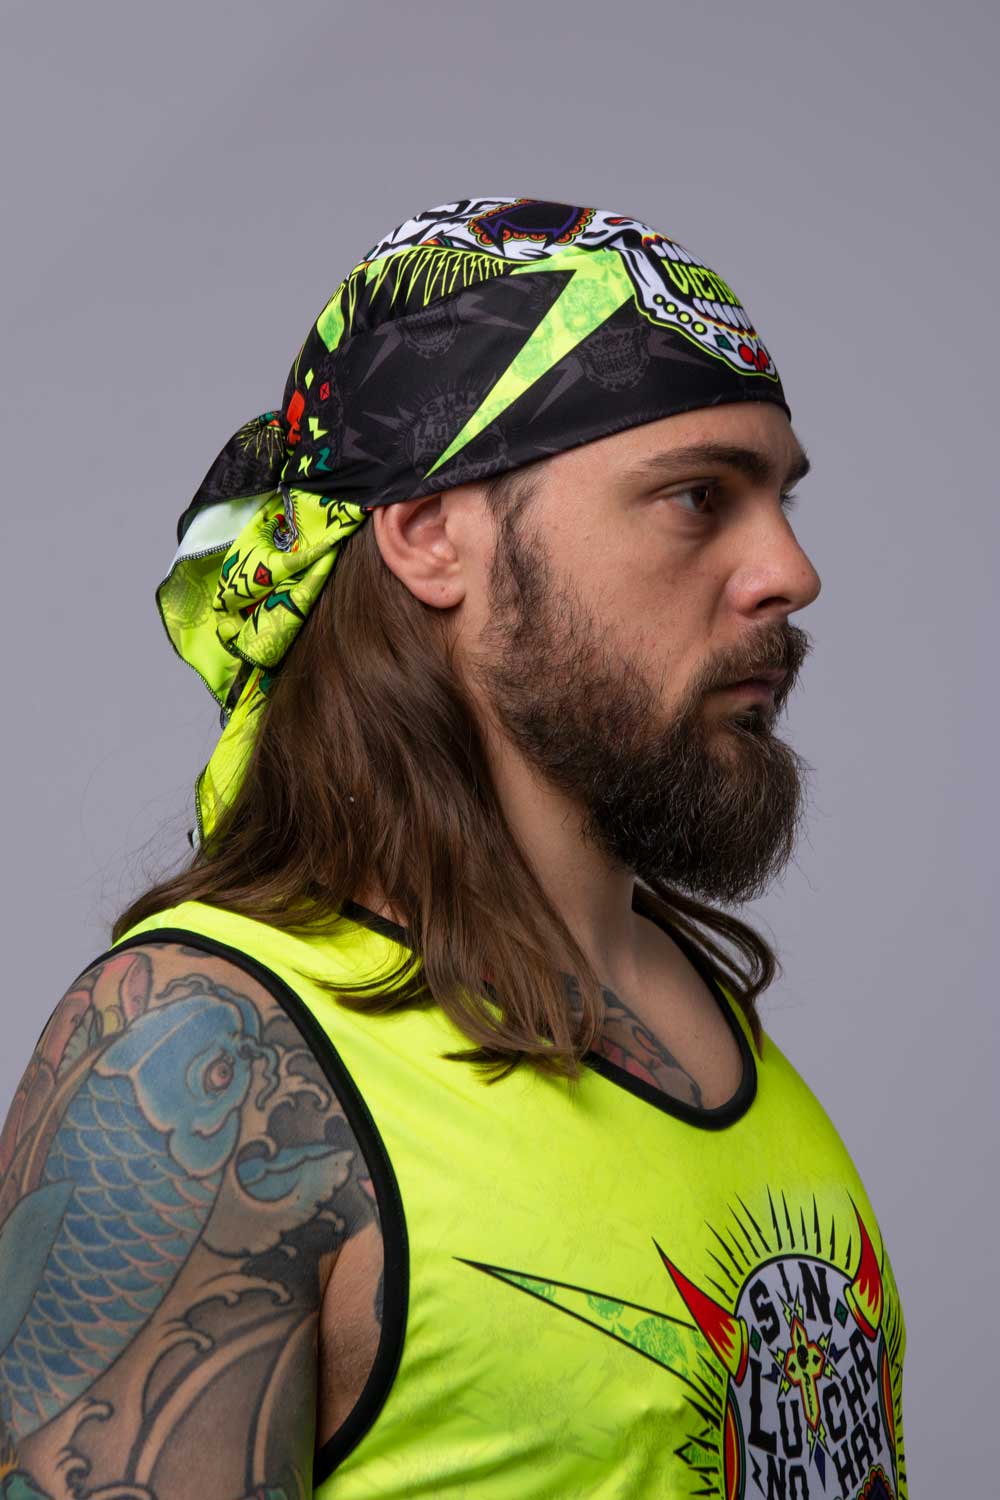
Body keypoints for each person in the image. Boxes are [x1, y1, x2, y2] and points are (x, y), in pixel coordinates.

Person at [0, 198, 907, 1499]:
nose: (790, 570)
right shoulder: (209, 1052)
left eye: (781, 497)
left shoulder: (705, 1011)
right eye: (699, 496)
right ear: (431, 534)